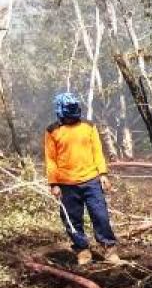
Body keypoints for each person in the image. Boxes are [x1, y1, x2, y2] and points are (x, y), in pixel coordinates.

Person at [44, 92, 120, 265]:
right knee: (72, 220)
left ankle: (110, 250)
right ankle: (83, 251)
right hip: (66, 184)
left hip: (91, 180)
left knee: (100, 216)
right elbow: (51, 159)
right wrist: (53, 183)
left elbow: (97, 152)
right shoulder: (52, 131)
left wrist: (103, 174)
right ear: (61, 111)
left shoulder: (88, 126)